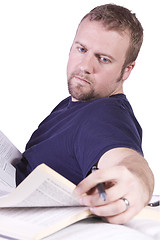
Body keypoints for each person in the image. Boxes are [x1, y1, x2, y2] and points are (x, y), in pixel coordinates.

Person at [15, 4, 154, 224]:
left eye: (103, 59)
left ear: (127, 69)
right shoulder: (73, 103)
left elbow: (126, 160)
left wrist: (138, 182)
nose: (85, 66)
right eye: (81, 49)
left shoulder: (105, 114)